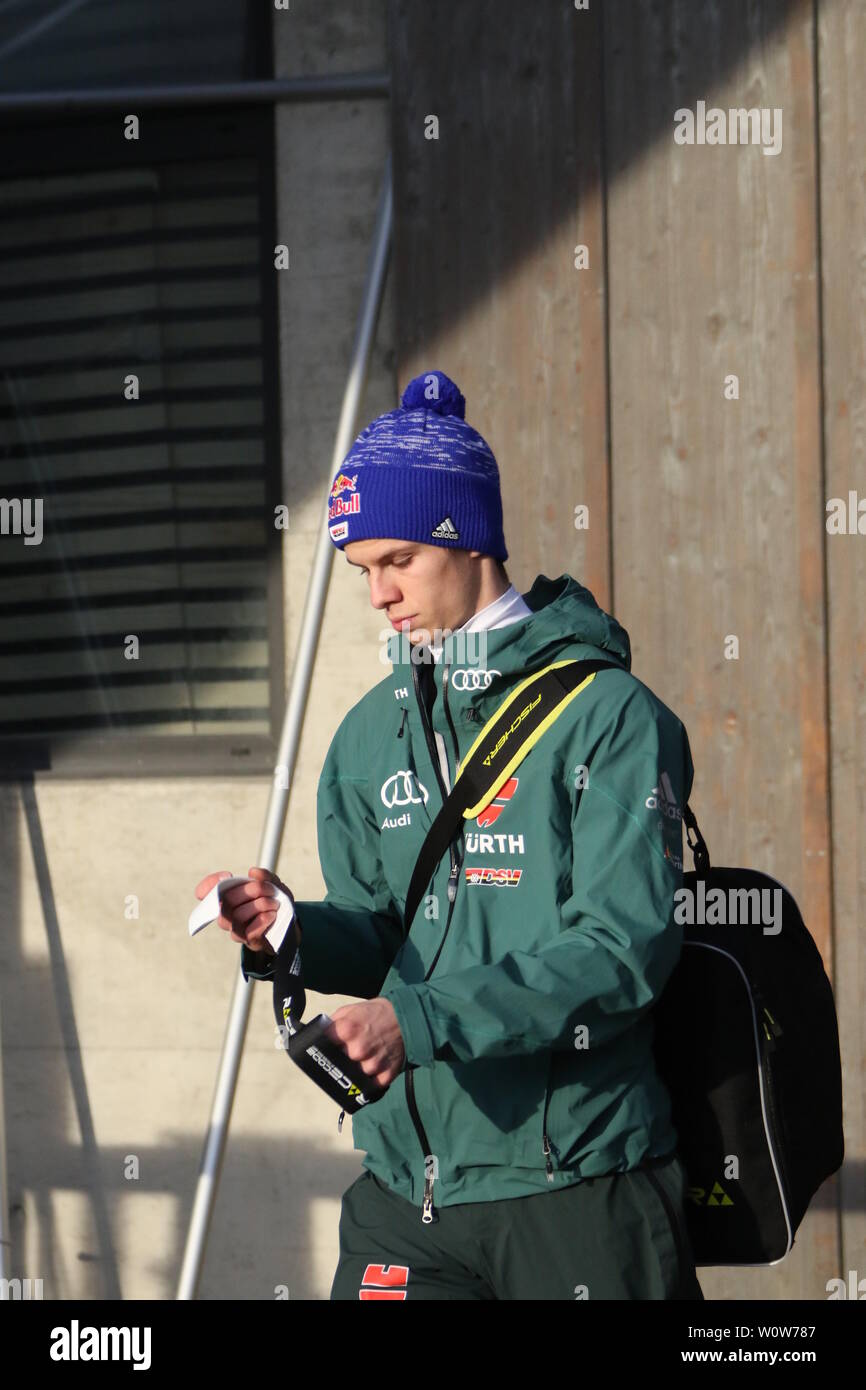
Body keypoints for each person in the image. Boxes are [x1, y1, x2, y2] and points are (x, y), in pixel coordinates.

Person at [195, 369, 704, 1301]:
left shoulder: (610, 718)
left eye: (398, 562)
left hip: (576, 1187)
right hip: (404, 1193)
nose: (379, 595)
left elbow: (621, 952)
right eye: (362, 572)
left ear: (466, 539)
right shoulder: (365, 734)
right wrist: (292, 930)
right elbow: (390, 929)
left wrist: (417, 1021)